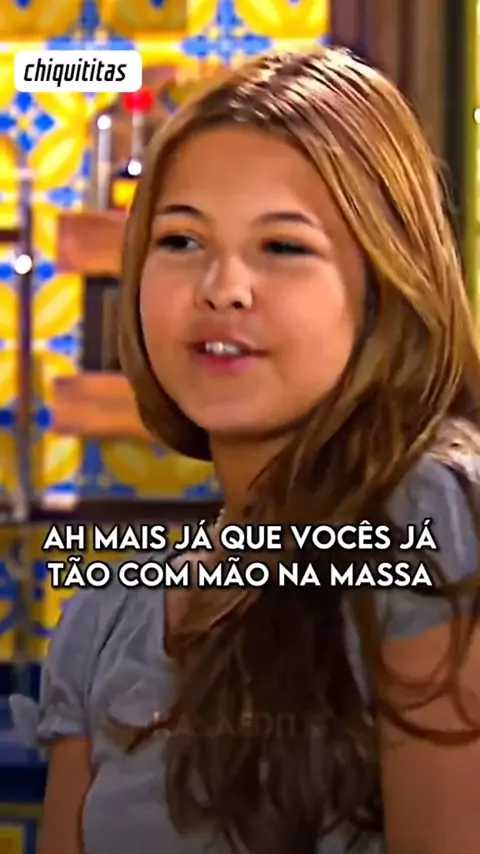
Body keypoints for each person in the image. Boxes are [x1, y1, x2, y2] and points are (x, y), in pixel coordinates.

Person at [10, 46, 480, 854]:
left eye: (283, 247)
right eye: (181, 240)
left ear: (384, 284)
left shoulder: (429, 518)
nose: (222, 288)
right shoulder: (106, 617)